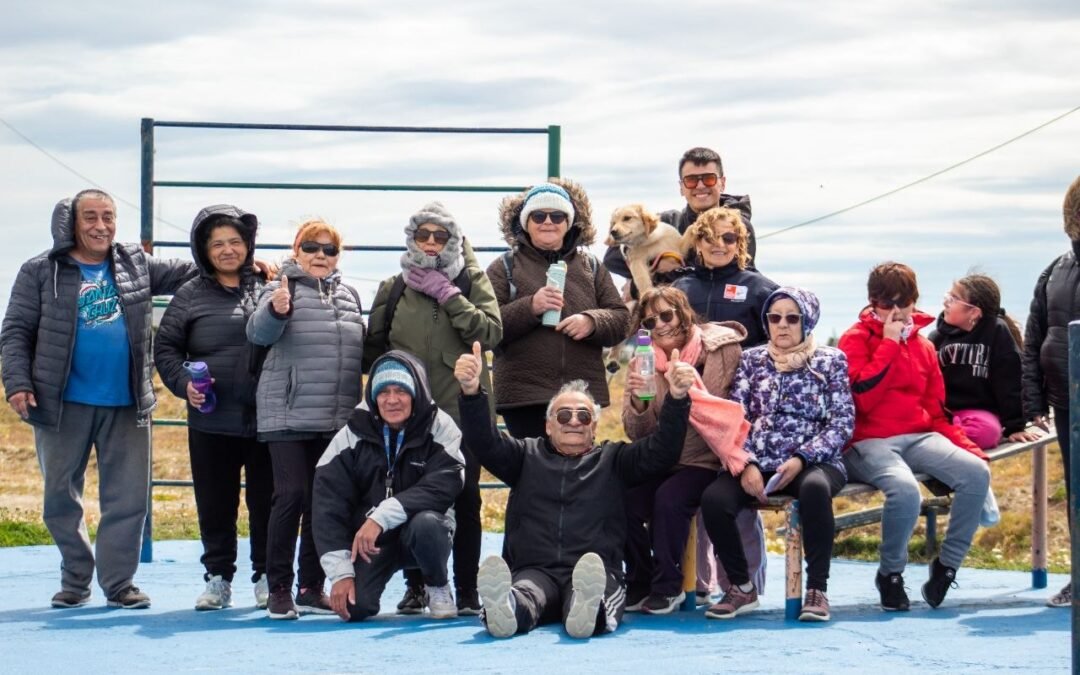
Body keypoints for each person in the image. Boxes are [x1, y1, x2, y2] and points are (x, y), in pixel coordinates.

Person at [0, 189, 198, 609]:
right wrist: (17, 382)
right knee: (59, 496)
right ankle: (75, 578)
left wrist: (237, 261)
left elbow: (189, 271)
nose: (101, 225)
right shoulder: (40, 270)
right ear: (70, 222)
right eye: (90, 217)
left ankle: (118, 583)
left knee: (127, 499)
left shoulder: (134, 264)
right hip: (59, 403)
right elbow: (16, 330)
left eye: (108, 216)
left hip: (126, 403)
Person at [454, 341, 696, 639]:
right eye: (563, 415)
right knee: (525, 595)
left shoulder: (615, 460)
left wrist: (677, 397)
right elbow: (484, 442)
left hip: (593, 570)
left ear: (594, 427)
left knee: (594, 594)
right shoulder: (523, 456)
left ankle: (588, 610)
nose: (573, 422)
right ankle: (505, 607)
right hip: (535, 570)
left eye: (583, 416)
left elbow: (663, 451)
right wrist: (470, 391)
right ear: (548, 425)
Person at [364, 201, 502, 616]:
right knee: (411, 497)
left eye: (439, 236)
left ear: (453, 240)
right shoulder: (394, 287)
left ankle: (467, 589)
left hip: (463, 411)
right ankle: (419, 585)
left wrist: (449, 295)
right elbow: (374, 348)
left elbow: (491, 332)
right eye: (422, 235)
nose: (430, 243)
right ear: (411, 238)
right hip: (409, 416)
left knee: (467, 500)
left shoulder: (470, 278)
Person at [838, 262, 991, 611]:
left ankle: (947, 566)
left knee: (976, 472)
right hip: (868, 440)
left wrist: (969, 450)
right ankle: (891, 574)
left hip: (919, 435)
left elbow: (936, 411)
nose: (895, 312)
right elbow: (860, 399)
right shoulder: (854, 339)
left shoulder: (923, 346)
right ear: (871, 302)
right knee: (905, 490)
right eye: (885, 304)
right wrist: (889, 345)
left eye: (903, 303)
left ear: (913, 301)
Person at [701, 287, 853, 621]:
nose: (782, 325)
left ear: (807, 321)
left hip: (814, 461)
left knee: (814, 490)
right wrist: (748, 463)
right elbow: (737, 418)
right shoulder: (752, 360)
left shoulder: (830, 361)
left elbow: (842, 422)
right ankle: (741, 587)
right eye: (774, 318)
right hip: (758, 460)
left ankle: (817, 590)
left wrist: (802, 458)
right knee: (714, 498)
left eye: (792, 318)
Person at [153, 204, 274, 611]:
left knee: (268, 501)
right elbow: (165, 347)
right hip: (211, 420)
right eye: (217, 243)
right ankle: (218, 578)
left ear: (248, 245)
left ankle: (267, 576)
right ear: (203, 250)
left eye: (235, 241)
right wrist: (184, 384)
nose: (227, 250)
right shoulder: (189, 295)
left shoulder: (268, 286)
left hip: (268, 420)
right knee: (215, 503)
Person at [621, 286, 766, 614]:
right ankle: (640, 582)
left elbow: (732, 410)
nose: (659, 325)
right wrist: (638, 402)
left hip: (709, 458)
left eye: (666, 315)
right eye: (649, 322)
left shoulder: (722, 350)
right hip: (663, 458)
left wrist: (686, 389)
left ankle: (668, 586)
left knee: (669, 499)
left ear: (684, 313)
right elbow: (636, 433)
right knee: (624, 500)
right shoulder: (645, 361)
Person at [246, 219, 365, 619]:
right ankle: (278, 586)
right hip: (287, 413)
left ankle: (310, 585)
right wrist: (276, 312)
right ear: (296, 250)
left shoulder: (348, 295)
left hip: (335, 418)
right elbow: (257, 333)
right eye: (311, 247)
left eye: (329, 250)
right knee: (290, 496)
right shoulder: (280, 288)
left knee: (322, 503)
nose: (320, 256)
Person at [313, 351, 465, 622]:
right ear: (373, 397)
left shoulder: (441, 426)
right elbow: (328, 506)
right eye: (383, 392)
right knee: (354, 609)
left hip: (419, 532)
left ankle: (437, 584)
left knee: (428, 524)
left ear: (415, 394)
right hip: (372, 546)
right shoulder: (350, 434)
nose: (392, 400)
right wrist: (341, 573)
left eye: (400, 391)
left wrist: (381, 517)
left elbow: (445, 484)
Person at [486, 180, 629, 438]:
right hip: (524, 396)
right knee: (530, 473)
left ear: (569, 222)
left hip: (581, 396)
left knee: (575, 471)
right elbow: (487, 327)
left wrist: (592, 321)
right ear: (525, 222)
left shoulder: (591, 266)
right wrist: (531, 307)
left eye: (557, 215)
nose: (548, 222)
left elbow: (621, 319)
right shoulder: (504, 267)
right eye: (538, 215)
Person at [1022, 174, 1080, 608]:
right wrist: (1033, 401)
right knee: (1076, 492)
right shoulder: (1056, 270)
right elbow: (1034, 336)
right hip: (1066, 401)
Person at [604, 146, 757, 284]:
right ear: (681, 188)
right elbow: (612, 259)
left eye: (708, 179)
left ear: (722, 183)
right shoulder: (667, 221)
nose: (700, 186)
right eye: (691, 181)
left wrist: (675, 268)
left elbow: (733, 274)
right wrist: (656, 263)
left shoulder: (739, 226)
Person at [931, 273, 1040, 449]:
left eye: (954, 299)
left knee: (987, 433)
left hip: (979, 413)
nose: (946, 302)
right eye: (947, 296)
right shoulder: (937, 337)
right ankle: (940, 440)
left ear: (974, 312)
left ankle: (940, 442)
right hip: (943, 413)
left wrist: (1015, 426)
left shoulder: (996, 332)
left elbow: (1009, 381)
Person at [671, 207, 778, 347]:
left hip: (745, 368)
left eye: (728, 238)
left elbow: (781, 340)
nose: (720, 244)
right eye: (710, 237)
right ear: (698, 243)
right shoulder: (678, 290)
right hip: (690, 368)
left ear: (738, 245)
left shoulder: (761, 289)